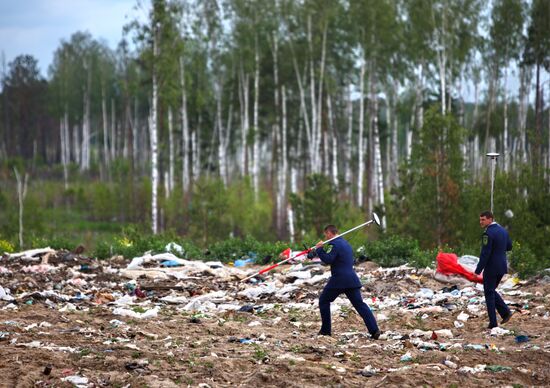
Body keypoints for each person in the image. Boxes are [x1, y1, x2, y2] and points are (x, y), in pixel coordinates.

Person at [311, 224, 380, 339]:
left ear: (329, 233)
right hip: (352, 279)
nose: (326, 238)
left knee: (323, 300)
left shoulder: (335, 244)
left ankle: (325, 330)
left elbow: (328, 259)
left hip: (339, 279)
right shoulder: (346, 244)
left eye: (326, 235)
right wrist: (318, 253)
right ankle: (374, 330)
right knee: (360, 304)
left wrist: (319, 249)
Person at [475, 210, 514, 329]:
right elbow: (509, 246)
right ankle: (505, 313)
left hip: (491, 267)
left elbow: (485, 253)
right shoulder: (503, 230)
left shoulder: (488, 233)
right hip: (502, 266)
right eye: (480, 219)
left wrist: (478, 270)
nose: (480, 222)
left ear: (490, 219)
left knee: (489, 293)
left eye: (483, 219)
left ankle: (493, 322)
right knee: (490, 291)